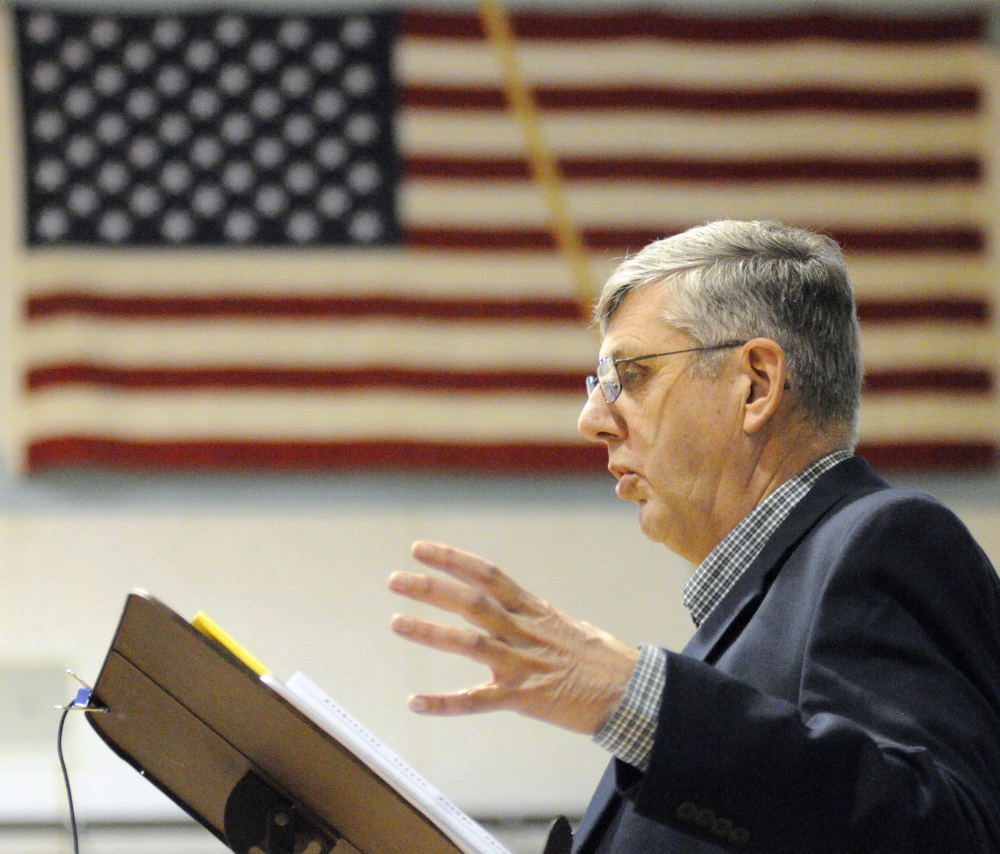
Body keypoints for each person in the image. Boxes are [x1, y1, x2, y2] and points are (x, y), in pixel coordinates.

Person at [387, 220, 1000, 853]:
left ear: (756, 385)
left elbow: (943, 835)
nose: (591, 419)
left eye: (630, 375)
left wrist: (634, 698)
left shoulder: (882, 540)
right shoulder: (757, 613)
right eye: (597, 384)